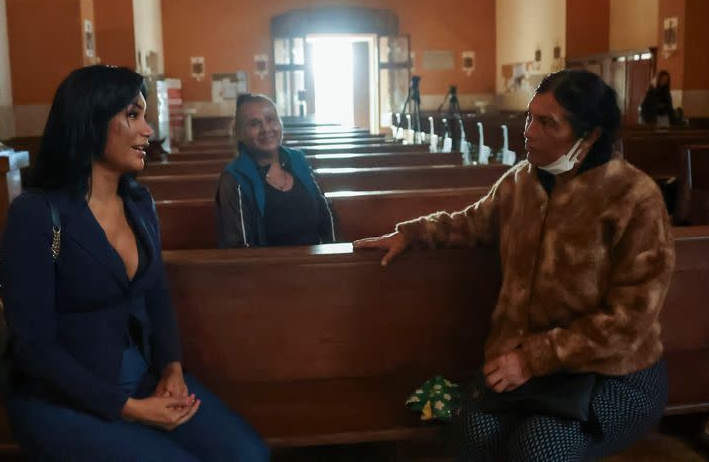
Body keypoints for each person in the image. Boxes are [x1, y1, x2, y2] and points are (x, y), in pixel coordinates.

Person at [355, 70, 674, 460]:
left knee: (538, 446)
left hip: (610, 373)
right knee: (471, 434)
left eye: (547, 123)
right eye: (529, 117)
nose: (529, 131)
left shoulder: (634, 197)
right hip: (520, 363)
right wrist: (413, 234)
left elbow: (630, 319)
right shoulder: (520, 182)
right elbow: (471, 222)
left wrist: (532, 359)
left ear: (588, 136)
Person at [0, 66, 269, 461]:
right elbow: (34, 348)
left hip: (142, 377)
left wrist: (172, 369)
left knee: (249, 455)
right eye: (132, 115)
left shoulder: (139, 203)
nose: (148, 129)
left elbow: (156, 297)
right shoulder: (36, 213)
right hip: (62, 397)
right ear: (90, 121)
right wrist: (131, 409)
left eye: (145, 114)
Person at [215, 93, 336, 248]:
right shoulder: (234, 178)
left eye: (271, 119)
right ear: (240, 133)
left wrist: (333, 260)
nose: (266, 129)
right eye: (254, 123)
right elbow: (240, 249)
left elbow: (325, 214)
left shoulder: (298, 159)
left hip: (315, 264)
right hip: (267, 269)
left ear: (280, 123)